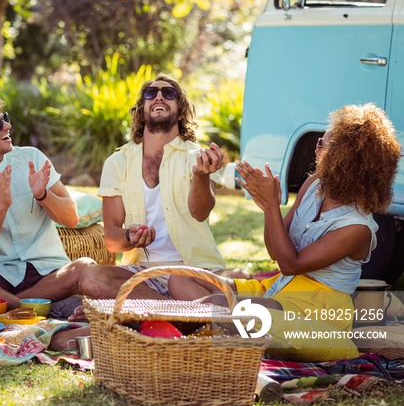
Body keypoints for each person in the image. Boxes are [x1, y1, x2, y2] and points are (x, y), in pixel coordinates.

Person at [168, 103, 401, 332]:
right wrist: (267, 207)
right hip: (281, 288)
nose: (316, 148)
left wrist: (271, 206)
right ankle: (227, 329)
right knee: (180, 280)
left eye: (323, 144)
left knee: (212, 305)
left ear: (346, 161)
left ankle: (220, 330)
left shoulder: (357, 227)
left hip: (316, 311)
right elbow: (274, 252)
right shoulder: (314, 184)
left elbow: (290, 264)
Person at [74, 74, 240, 303]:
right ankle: (175, 307)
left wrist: (200, 176)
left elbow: (201, 212)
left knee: (232, 280)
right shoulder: (117, 162)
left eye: (169, 93)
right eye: (150, 93)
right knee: (91, 277)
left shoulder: (198, 157)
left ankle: (151, 309)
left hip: (195, 270)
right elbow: (112, 240)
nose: (159, 96)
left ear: (181, 111)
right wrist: (130, 237)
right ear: (142, 110)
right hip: (142, 274)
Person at [0, 92, 94, 313]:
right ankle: (29, 306)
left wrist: (43, 195)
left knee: (85, 267)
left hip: (49, 272)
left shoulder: (32, 158)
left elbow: (71, 218)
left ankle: (2, 304)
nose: (7, 127)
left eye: (6, 119)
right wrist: (1, 206)